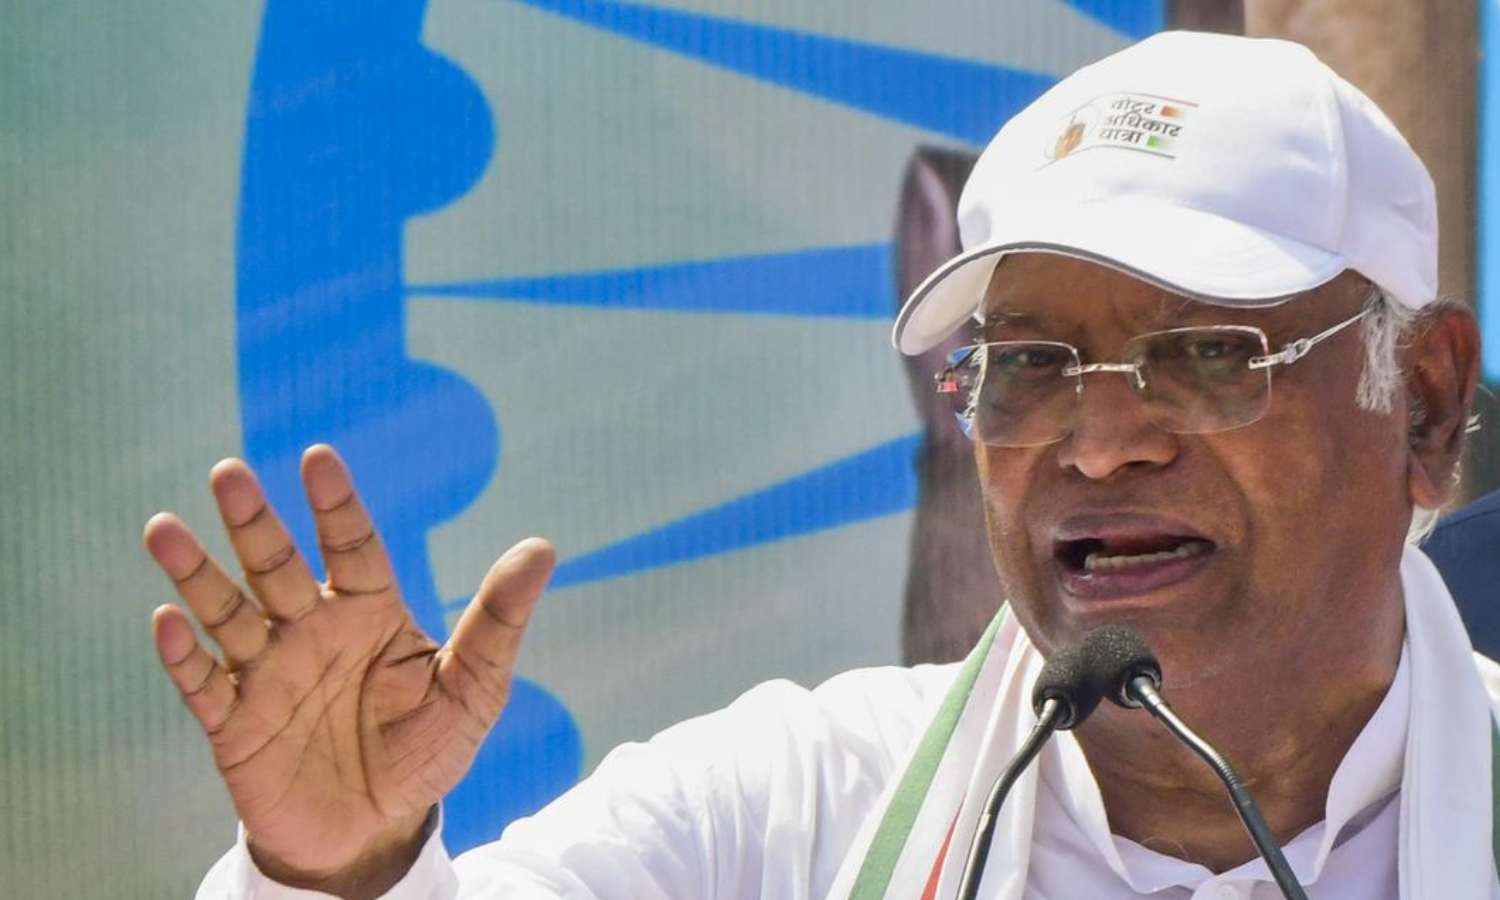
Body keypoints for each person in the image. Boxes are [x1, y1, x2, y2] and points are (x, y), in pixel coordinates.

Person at [147, 31, 1498, 899]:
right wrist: (341, 869)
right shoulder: (784, 817)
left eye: (1205, 352)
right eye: (1028, 365)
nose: (1099, 442)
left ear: (1426, 406)